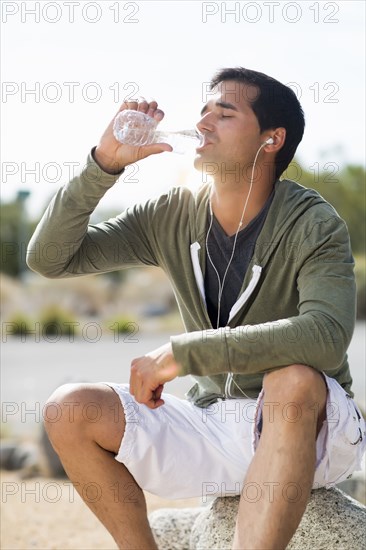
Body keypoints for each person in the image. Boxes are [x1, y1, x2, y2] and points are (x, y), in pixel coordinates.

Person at [27, 67, 365, 550]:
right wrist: (103, 164)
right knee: (70, 407)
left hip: (310, 430)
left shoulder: (313, 223)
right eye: (203, 111)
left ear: (272, 139)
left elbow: (326, 335)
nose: (203, 123)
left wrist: (186, 353)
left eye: (224, 114)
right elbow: (49, 259)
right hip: (213, 423)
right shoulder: (172, 211)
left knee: (292, 379)